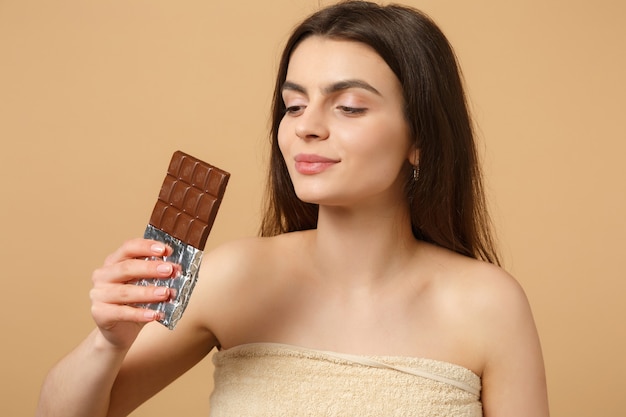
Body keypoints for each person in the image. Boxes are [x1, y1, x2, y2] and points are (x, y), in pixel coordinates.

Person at [36, 1, 549, 416]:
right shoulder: (234, 278)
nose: (307, 126)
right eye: (294, 104)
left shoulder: (489, 306)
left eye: (348, 106)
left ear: (421, 139)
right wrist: (109, 343)